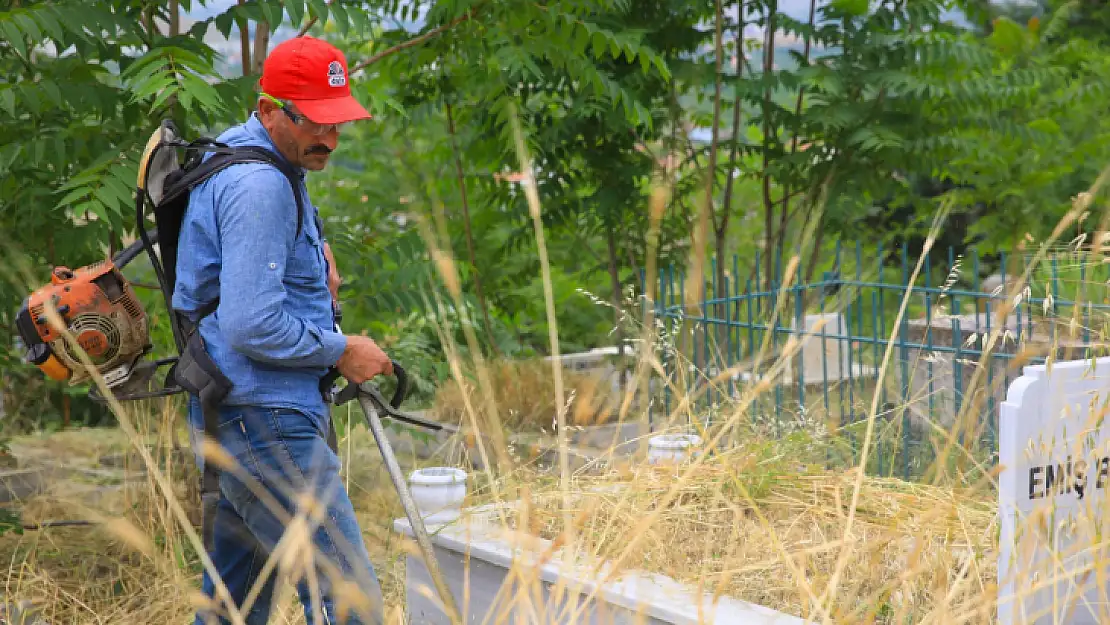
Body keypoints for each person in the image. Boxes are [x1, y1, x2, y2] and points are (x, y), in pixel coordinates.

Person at [172, 36, 391, 625]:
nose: (331, 140)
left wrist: (312, 266)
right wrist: (342, 349)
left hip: (236, 415)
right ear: (269, 108)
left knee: (231, 609)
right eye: (316, 122)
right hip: (265, 422)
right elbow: (251, 324)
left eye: (339, 123)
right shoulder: (260, 184)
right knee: (349, 604)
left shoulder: (258, 160)